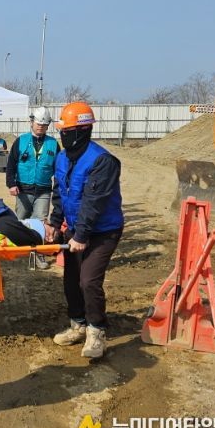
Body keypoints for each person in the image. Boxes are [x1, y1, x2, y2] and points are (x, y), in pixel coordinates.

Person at [45, 102, 123, 359]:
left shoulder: (102, 160)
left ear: (82, 131)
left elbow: (94, 202)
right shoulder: (62, 157)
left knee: (88, 281)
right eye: (62, 131)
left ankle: (96, 331)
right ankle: (77, 324)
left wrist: (81, 236)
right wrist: (55, 223)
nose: (62, 135)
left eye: (66, 131)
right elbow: (60, 193)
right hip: (76, 229)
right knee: (71, 280)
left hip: (103, 231)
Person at [5, 107, 59, 268]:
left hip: (43, 190)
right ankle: (19, 249)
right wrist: (11, 184)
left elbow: (59, 169)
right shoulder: (21, 141)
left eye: (44, 125)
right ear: (31, 122)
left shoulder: (53, 144)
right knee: (22, 221)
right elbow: (11, 164)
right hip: (23, 189)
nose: (40, 127)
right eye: (38, 123)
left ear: (48, 125)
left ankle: (38, 254)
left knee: (40, 222)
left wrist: (60, 187)